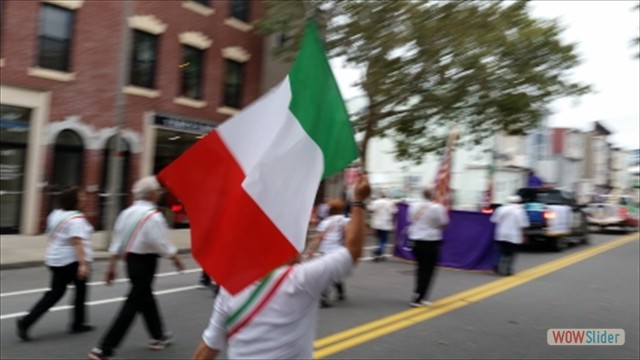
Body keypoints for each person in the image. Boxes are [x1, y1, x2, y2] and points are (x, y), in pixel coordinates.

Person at [191, 173, 371, 360]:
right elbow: (353, 251)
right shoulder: (300, 280)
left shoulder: (230, 289)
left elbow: (208, 348)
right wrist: (358, 201)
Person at [88, 176, 185, 360]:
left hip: (130, 261)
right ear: (152, 194)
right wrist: (175, 257)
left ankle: (159, 335)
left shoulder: (126, 213)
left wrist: (112, 266)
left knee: (144, 296)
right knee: (134, 301)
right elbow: (160, 243)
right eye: (158, 190)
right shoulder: (153, 216)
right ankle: (104, 348)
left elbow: (117, 242)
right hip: (146, 262)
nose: (160, 193)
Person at [16, 186, 94, 341]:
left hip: (55, 258)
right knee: (78, 291)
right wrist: (83, 264)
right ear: (74, 200)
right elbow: (77, 242)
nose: (84, 199)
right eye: (81, 197)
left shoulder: (56, 214)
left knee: (56, 293)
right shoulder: (76, 219)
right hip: (70, 261)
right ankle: (77, 323)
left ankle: (27, 321)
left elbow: (51, 235)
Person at [303, 198, 350, 308]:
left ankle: (324, 299)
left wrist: (310, 250)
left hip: (326, 250)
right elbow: (349, 235)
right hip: (339, 250)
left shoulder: (325, 222)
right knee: (334, 273)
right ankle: (341, 293)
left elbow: (318, 238)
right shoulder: (345, 220)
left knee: (327, 274)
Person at [407, 187, 449, 307]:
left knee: (420, 268)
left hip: (415, 239)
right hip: (431, 240)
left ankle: (419, 294)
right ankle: (419, 296)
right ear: (432, 195)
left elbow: (410, 220)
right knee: (428, 270)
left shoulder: (413, 206)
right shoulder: (437, 207)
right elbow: (444, 222)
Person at [490, 195, 530, 276]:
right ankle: (507, 269)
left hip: (501, 234)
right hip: (513, 235)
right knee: (511, 253)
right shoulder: (519, 210)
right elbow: (523, 224)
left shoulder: (501, 209)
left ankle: (496, 265)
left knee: (501, 250)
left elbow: (494, 220)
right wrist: (525, 236)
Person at [368, 190, 397, 262]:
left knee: (379, 238)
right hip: (386, 223)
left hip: (377, 223)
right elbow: (395, 211)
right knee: (384, 239)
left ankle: (379, 253)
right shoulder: (390, 203)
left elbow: (370, 208)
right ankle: (379, 251)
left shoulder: (376, 202)